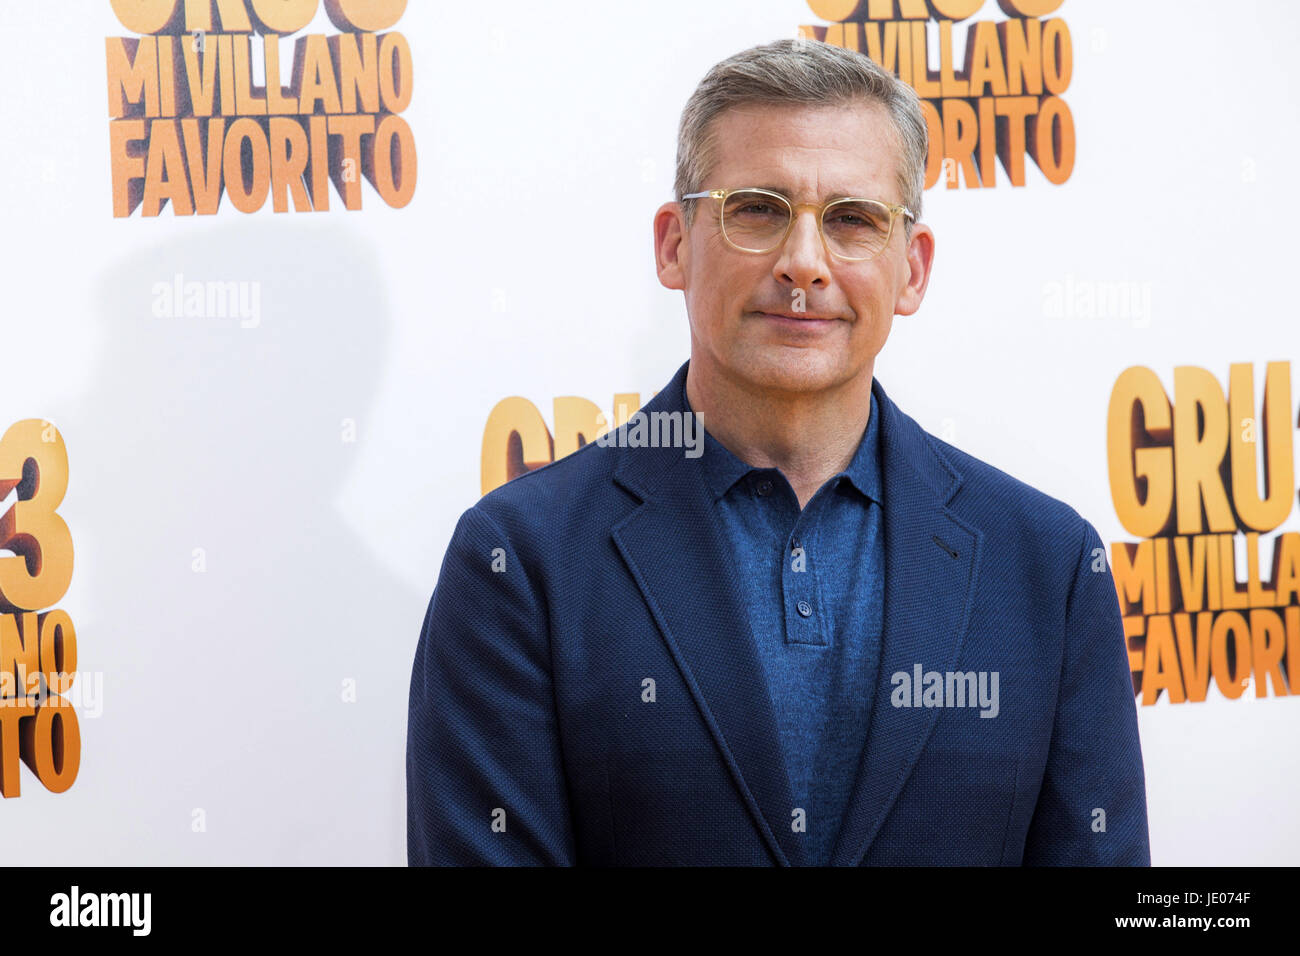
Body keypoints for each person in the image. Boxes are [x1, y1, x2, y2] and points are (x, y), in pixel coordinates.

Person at [406, 38, 1150, 866]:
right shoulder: (521, 563)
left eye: (853, 220)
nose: (804, 262)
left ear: (914, 269)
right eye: (756, 209)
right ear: (673, 245)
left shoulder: (1047, 565)